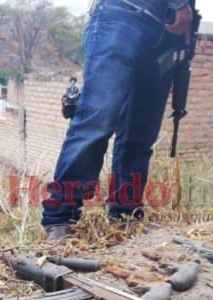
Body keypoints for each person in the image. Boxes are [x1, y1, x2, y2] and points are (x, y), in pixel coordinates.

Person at [41, 0, 193, 240]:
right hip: (123, 12)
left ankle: (125, 215)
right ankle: (60, 217)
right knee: (97, 118)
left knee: (141, 133)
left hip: (167, 32)